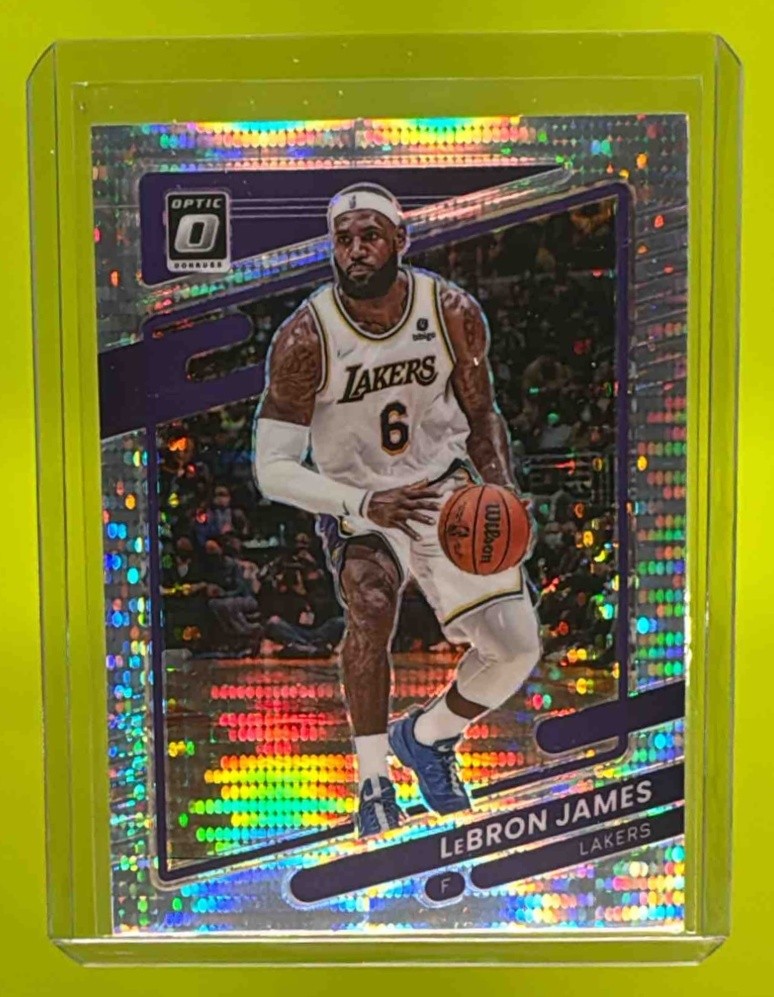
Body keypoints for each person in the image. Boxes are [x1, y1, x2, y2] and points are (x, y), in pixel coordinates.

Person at [253, 182, 540, 836]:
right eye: (343, 239)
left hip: (444, 492)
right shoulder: (305, 337)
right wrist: (362, 501)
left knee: (516, 648)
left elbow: (482, 415)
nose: (355, 250)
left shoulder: (451, 311)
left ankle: (429, 736)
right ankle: (373, 780)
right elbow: (272, 468)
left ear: (400, 240)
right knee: (371, 602)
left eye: (370, 236)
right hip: (359, 501)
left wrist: (503, 491)